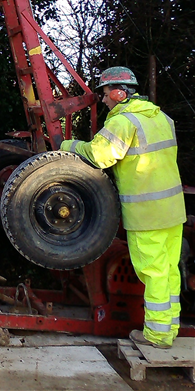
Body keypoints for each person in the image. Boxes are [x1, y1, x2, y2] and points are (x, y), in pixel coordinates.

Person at [60, 66, 185, 349]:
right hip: (173, 209)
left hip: (147, 215)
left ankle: (157, 336)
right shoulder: (162, 118)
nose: (103, 100)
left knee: (152, 273)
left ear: (118, 93)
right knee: (168, 270)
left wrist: (69, 144)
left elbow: (99, 155)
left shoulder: (124, 122)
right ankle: (169, 327)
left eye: (105, 94)